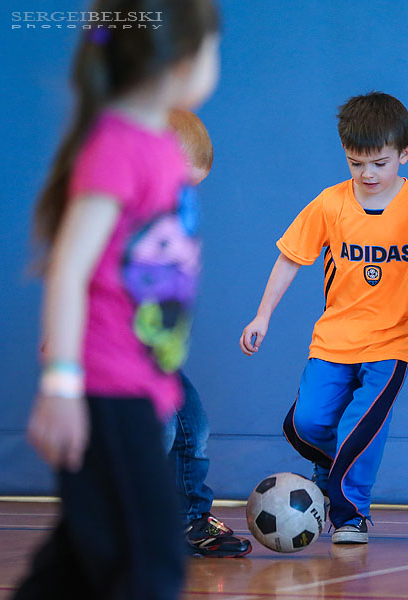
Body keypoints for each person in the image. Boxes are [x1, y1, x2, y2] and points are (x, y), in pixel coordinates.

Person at [16, 0, 219, 597]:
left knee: (82, 554)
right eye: (213, 49)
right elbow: (69, 271)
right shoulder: (118, 147)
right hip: (105, 388)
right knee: (151, 562)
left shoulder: (160, 151)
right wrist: (61, 385)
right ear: (180, 61)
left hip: (140, 383)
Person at [239, 92, 408, 544]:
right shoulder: (330, 203)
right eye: (357, 163)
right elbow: (289, 259)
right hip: (335, 339)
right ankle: (331, 470)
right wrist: (262, 316)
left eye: (379, 162)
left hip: (393, 341)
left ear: (404, 155)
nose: (368, 174)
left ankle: (350, 514)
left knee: (361, 427)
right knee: (307, 424)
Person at [164, 109, 250, 558]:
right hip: (116, 357)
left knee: (192, 427)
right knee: (152, 435)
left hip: (155, 355)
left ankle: (189, 520)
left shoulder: (172, 221)